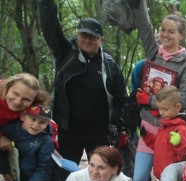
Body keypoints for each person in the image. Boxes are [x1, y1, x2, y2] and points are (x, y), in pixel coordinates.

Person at [38, 0, 127, 166]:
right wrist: (46, 4)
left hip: (98, 133)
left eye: (92, 37)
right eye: (83, 35)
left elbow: (121, 99)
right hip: (68, 131)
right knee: (65, 174)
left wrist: (120, 128)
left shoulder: (109, 66)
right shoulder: (66, 54)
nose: (87, 40)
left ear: (101, 40)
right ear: (77, 36)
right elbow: (50, 28)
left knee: (99, 175)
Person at [131, 0, 186, 181]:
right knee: (138, 179)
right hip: (148, 125)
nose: (165, 34)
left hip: (170, 131)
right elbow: (144, 27)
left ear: (181, 35)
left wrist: (150, 100)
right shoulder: (153, 53)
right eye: (163, 30)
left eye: (171, 31)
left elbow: (184, 99)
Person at [0, 105, 55, 181]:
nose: (36, 125)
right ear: (22, 116)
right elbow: (2, 151)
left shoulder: (46, 141)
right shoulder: (9, 130)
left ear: (48, 124)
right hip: (16, 179)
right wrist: (4, 170)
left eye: (42, 122)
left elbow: (45, 168)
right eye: (33, 119)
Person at [139, 86, 186, 179]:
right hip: (163, 175)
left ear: (178, 107)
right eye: (159, 109)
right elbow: (157, 145)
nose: (161, 113)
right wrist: (146, 135)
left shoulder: (181, 129)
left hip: (174, 177)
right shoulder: (164, 125)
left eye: (165, 109)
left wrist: (179, 144)